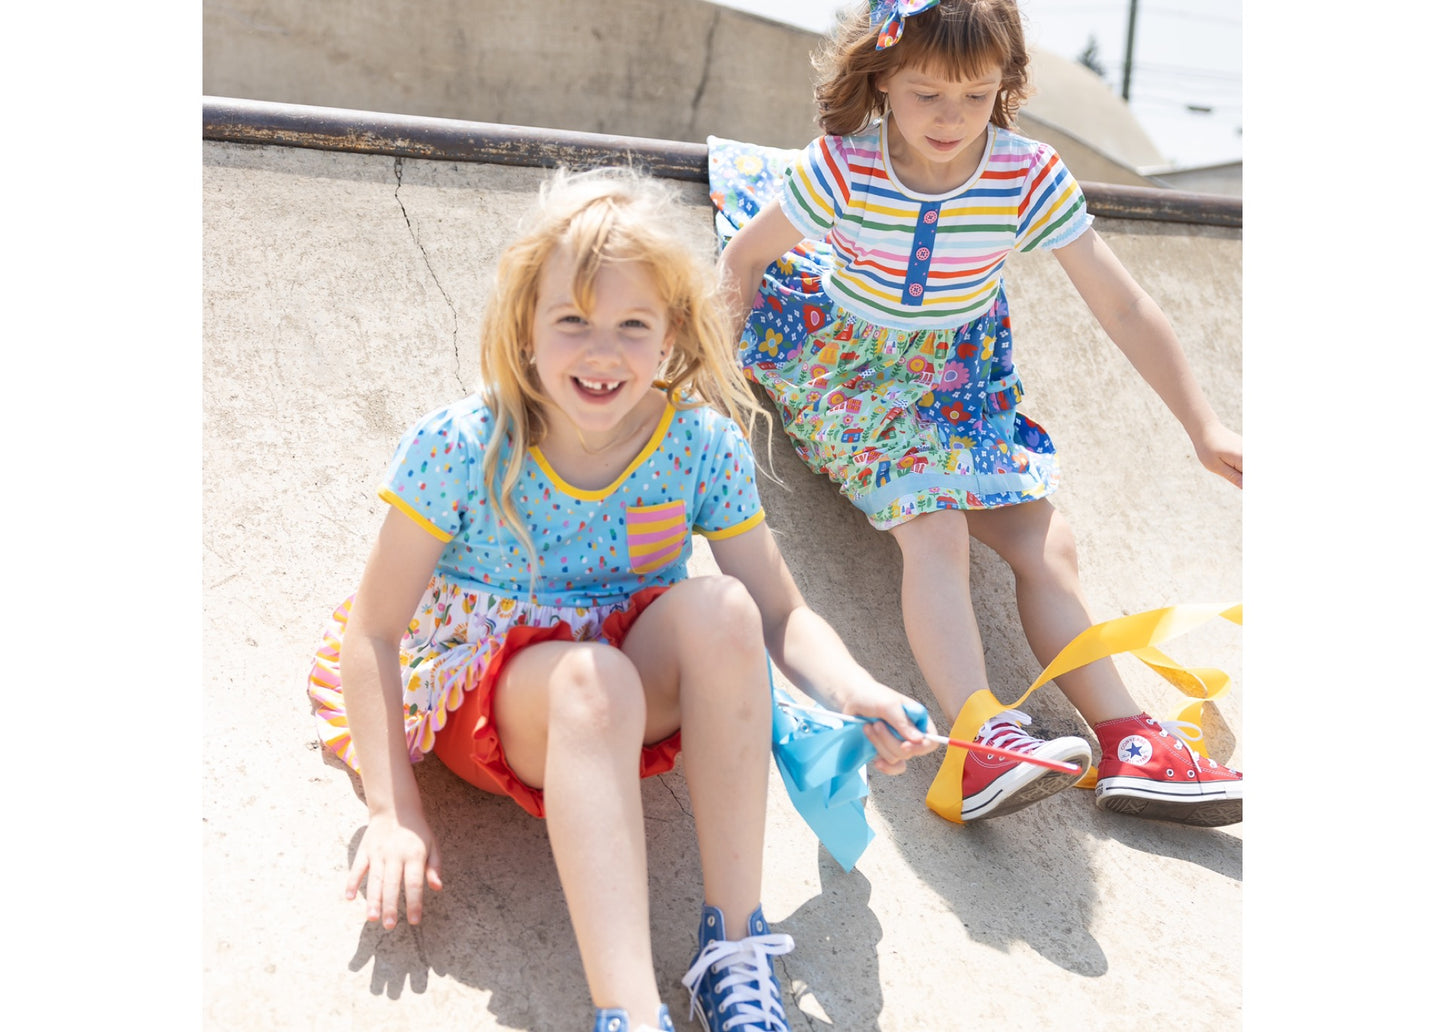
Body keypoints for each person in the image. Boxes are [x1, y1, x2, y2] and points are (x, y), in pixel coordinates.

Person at [306, 167, 937, 1032]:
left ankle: (736, 951)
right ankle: (630, 1013)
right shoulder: (465, 445)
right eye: (572, 321)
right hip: (500, 700)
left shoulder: (698, 444)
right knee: (589, 678)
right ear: (525, 327)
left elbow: (781, 611)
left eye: (631, 326)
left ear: (669, 332)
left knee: (724, 610)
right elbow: (373, 633)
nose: (601, 353)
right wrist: (393, 814)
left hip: (626, 684)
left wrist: (851, 689)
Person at [709, 0, 1243, 829]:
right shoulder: (844, 169)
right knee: (936, 525)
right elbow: (743, 258)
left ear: (1004, 85)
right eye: (925, 95)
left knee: (1046, 540)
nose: (951, 119)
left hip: (959, 378)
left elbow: (1124, 306)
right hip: (844, 363)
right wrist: (704, 389)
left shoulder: (1024, 174)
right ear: (882, 79)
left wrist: (1202, 426)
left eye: (974, 95)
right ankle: (976, 736)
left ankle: (1127, 737)